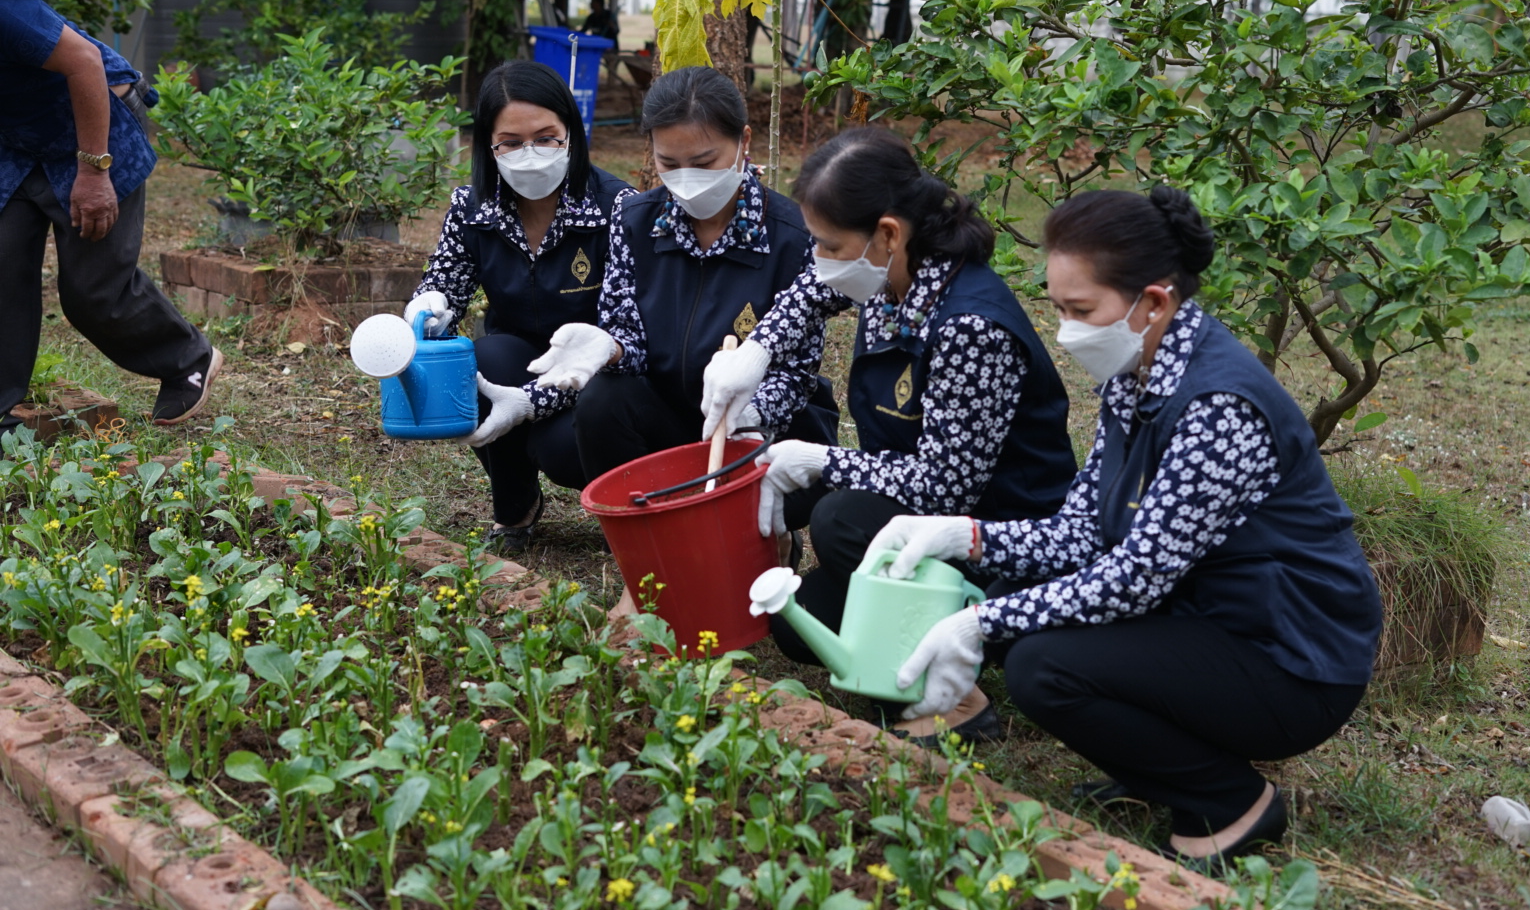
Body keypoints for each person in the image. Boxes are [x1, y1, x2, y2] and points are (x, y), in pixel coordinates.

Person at [865, 186, 1383, 871]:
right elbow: (1083, 531)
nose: (1065, 331)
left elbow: (1134, 578)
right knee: (1034, 625)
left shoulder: (1217, 407)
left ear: (1155, 303)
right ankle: (1157, 769)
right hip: (1212, 615)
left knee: (1044, 666)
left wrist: (979, 622)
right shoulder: (1138, 374)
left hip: (1290, 659)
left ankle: (1229, 804)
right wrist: (964, 536)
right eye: (1058, 308)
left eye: (1081, 311)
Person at [709, 128, 1077, 742]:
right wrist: (757, 351)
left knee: (840, 518)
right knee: (799, 625)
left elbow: (944, 488)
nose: (819, 258)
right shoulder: (894, 278)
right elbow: (812, 291)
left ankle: (959, 699)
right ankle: (906, 634)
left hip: (996, 536)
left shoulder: (969, 327)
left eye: (829, 244)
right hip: (918, 518)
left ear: (887, 233)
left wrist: (821, 460)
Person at [509, 66, 839, 559]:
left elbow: (795, 374)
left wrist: (748, 414)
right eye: (670, 162)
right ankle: (649, 551)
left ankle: (764, 538)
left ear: (744, 142)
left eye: (705, 162)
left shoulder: (794, 236)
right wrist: (610, 347)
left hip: (762, 429)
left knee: (756, 513)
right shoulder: (635, 221)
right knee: (598, 405)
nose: (688, 180)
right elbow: (628, 335)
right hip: (668, 419)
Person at [412, 61, 635, 551]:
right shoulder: (473, 207)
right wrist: (429, 306)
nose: (529, 154)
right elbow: (445, 283)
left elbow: (628, 336)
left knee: (559, 451)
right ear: (488, 146)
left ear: (571, 134)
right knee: (481, 360)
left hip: (594, 375)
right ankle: (515, 506)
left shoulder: (617, 208)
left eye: (546, 138)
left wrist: (533, 403)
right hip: (515, 359)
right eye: (511, 142)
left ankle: (618, 501)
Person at [0, 0, 222, 432]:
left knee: (93, 291)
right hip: (19, 137)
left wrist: (93, 170)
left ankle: (187, 359)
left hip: (92, 122)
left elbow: (84, 62)